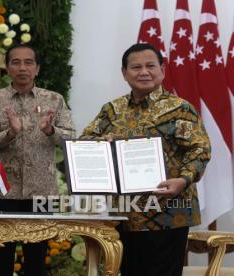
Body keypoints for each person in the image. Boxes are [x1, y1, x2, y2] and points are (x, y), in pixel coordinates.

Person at [80, 43, 211, 276]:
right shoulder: (112, 110)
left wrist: (182, 180)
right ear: (124, 73)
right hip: (124, 214)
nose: (144, 72)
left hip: (169, 212)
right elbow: (86, 143)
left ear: (162, 69)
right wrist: (101, 144)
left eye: (150, 66)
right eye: (136, 67)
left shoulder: (179, 109)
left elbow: (200, 150)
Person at [0, 44, 76, 276]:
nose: (23, 68)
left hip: (41, 192)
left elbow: (71, 138)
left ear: (37, 68)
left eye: (28, 62)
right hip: (2, 190)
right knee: (1, 262)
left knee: (36, 262)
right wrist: (9, 134)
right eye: (16, 62)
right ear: (7, 67)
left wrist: (51, 130)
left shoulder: (54, 99)